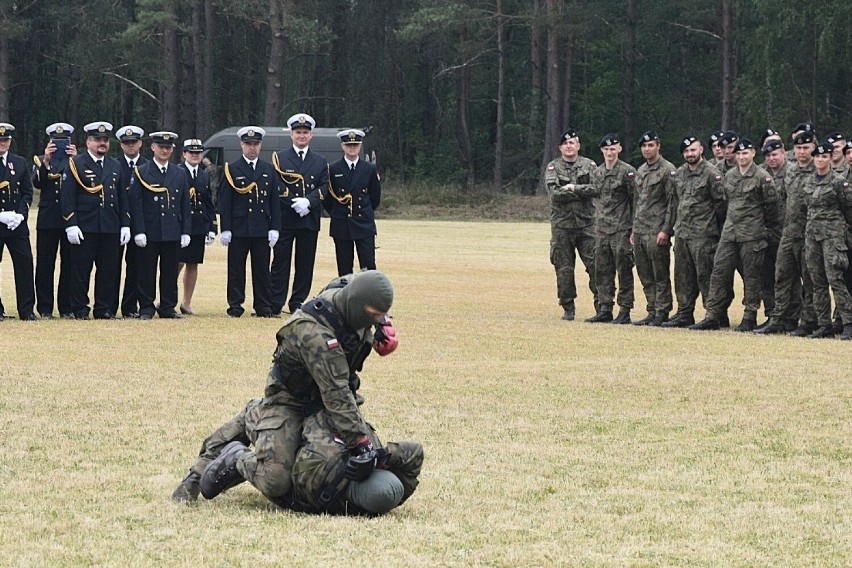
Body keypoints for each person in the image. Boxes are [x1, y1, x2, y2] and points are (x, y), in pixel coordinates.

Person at [170, 271, 399, 506]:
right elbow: (337, 395)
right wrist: (362, 445)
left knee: (327, 460)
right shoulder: (315, 335)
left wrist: (383, 323)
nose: (375, 320)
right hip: (290, 400)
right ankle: (244, 439)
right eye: (373, 315)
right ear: (357, 305)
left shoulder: (350, 291)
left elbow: (361, 283)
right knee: (275, 480)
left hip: (325, 397)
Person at [691, 139, 779, 331]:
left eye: (745, 153)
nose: (741, 157)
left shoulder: (762, 178)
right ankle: (713, 315)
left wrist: (764, 231)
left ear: (753, 153)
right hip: (730, 234)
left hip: (752, 235)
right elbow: (724, 203)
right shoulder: (729, 176)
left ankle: (749, 316)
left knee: (752, 276)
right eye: (738, 154)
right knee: (719, 272)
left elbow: (772, 209)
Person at [60, 121, 130, 319]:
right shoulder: (76, 163)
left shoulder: (115, 165)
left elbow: (122, 199)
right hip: (85, 226)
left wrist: (125, 224)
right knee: (81, 271)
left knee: (108, 271)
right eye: (98, 139)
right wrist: (71, 224)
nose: (102, 143)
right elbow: (67, 197)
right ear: (88, 142)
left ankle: (103, 308)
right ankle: (80, 308)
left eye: (105, 140)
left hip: (110, 226)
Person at [755, 131, 818, 336]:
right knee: (782, 275)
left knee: (809, 280)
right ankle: (780, 319)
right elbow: (781, 200)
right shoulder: (791, 172)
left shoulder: (819, 172)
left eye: (806, 147)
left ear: (813, 148)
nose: (801, 151)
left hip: (809, 235)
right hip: (788, 233)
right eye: (798, 148)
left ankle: (809, 320)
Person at [661, 136, 725, 328]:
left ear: (701, 150)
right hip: (682, 234)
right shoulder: (679, 174)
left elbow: (721, 204)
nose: (690, 154)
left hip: (704, 234)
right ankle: (684, 313)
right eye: (687, 151)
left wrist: (713, 228)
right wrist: (668, 229)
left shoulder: (712, 174)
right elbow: (674, 204)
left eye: (693, 150)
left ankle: (713, 315)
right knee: (683, 276)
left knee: (706, 275)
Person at [218, 126, 281, 318]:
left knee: (262, 269)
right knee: (236, 270)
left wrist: (275, 228)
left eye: (255, 144)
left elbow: (274, 201)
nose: (252, 148)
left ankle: (263, 306)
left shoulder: (268, 169)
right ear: (241, 145)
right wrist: (225, 228)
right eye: (248, 144)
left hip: (262, 227)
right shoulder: (232, 169)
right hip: (239, 228)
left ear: (260, 145)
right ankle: (235, 306)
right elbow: (225, 202)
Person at [128, 131, 191, 319]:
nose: (165, 150)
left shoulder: (179, 173)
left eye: (168, 147)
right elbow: (136, 204)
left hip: (172, 229)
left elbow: (184, 204)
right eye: (161, 147)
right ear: (153, 147)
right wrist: (138, 230)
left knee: (170, 271)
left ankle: (167, 307)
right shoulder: (142, 171)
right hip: (150, 229)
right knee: (146, 271)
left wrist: (185, 231)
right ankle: (146, 307)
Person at [270, 113, 329, 315]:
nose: (301, 136)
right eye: (298, 132)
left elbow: (324, 186)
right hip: (286, 217)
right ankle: (275, 302)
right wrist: (294, 201)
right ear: (291, 134)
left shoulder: (320, 161)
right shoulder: (280, 157)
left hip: (309, 218)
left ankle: (297, 302)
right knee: (280, 261)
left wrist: (309, 202)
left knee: (305, 263)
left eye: (305, 132)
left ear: (311, 135)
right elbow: (276, 184)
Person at [542, 128, 598, 321]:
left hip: (587, 225)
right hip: (562, 226)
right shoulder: (553, 167)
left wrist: (574, 188)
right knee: (564, 269)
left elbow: (597, 189)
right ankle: (568, 307)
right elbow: (554, 195)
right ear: (560, 147)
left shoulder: (589, 165)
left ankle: (602, 306)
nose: (569, 146)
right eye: (565, 143)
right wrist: (583, 192)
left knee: (596, 265)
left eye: (572, 142)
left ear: (578, 146)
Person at [802, 143, 852, 339]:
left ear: (831, 158)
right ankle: (824, 324)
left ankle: (848, 322)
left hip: (832, 237)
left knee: (836, 280)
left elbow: (848, 209)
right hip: (812, 236)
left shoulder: (839, 182)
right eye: (818, 157)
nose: (820, 160)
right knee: (817, 281)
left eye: (824, 157)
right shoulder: (808, 181)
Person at [586, 133, 634, 324]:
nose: (609, 152)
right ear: (602, 151)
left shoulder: (628, 172)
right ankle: (605, 308)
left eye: (613, 149)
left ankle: (625, 309)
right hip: (602, 229)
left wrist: (633, 228)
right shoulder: (597, 173)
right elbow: (596, 197)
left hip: (621, 229)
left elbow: (635, 200)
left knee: (624, 269)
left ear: (619, 149)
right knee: (602, 270)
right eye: (606, 149)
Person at [631, 130, 677, 326]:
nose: (647, 149)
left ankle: (662, 311)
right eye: (644, 146)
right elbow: (638, 201)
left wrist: (666, 230)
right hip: (641, 230)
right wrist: (633, 229)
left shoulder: (667, 170)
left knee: (660, 273)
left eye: (651, 145)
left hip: (657, 230)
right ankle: (651, 308)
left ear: (658, 146)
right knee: (645, 273)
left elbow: (672, 202)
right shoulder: (641, 170)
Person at [32, 122, 77, 319]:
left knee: (69, 264)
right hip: (48, 219)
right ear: (50, 142)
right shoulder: (41, 160)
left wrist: (75, 159)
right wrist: (47, 160)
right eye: (56, 141)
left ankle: (66, 307)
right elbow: (37, 182)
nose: (59, 146)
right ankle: (45, 308)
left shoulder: (77, 162)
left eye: (63, 141)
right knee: (45, 264)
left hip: (70, 219)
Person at [323, 129, 382, 276]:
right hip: (342, 224)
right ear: (342, 146)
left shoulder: (369, 168)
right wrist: (338, 212)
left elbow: (375, 197)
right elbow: (327, 198)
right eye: (348, 145)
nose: (352, 147)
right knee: (344, 270)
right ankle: (346, 298)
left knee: (368, 268)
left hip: (364, 224)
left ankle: (369, 299)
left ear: (360, 146)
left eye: (355, 144)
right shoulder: (333, 168)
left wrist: (363, 211)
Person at [0, 122, 36, 320]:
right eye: (0, 140)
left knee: (24, 264)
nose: (2, 143)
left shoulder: (19, 162)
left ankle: (26, 309)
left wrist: (21, 215)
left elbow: (27, 192)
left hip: (16, 223)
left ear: (10, 141)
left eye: (5, 140)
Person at [177, 138, 217, 315]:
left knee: (193, 264)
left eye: (198, 153)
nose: (194, 156)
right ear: (184, 154)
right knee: (176, 263)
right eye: (191, 152)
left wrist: (212, 227)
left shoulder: (203, 174)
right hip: (180, 225)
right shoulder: (177, 172)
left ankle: (187, 303)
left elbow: (208, 201)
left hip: (198, 225)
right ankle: (167, 300)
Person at [755, 139, 788, 328]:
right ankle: (772, 314)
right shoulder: (760, 173)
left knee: (787, 276)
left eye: (774, 154)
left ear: (783, 152)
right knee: (766, 275)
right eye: (767, 155)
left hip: (787, 231)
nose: (771, 159)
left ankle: (793, 316)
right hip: (766, 232)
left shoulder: (792, 172)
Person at [115, 125, 148, 318]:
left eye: (134, 142)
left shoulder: (147, 165)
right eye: (127, 143)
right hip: (116, 222)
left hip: (139, 224)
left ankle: (130, 308)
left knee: (136, 268)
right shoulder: (114, 164)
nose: (131, 146)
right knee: (112, 267)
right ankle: (108, 306)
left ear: (141, 143)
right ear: (121, 145)